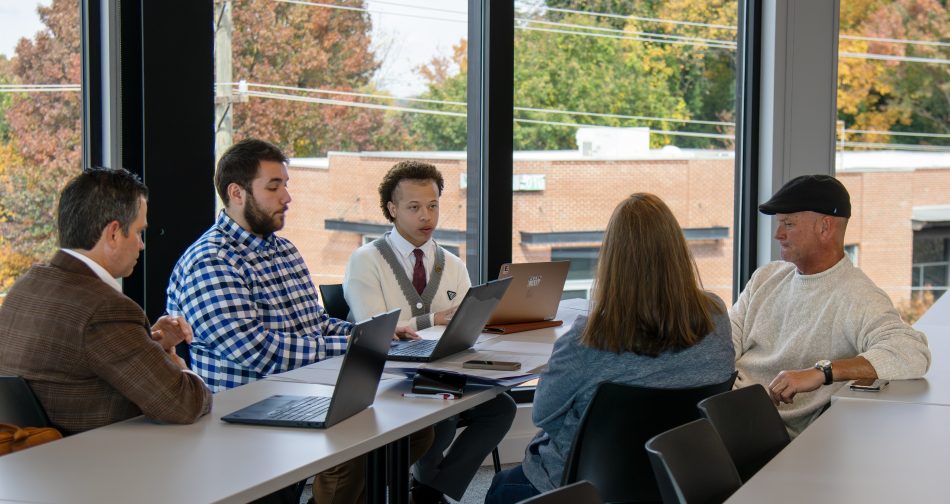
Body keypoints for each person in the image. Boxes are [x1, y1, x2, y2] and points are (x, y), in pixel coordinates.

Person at [484, 193, 735, 503]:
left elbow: (543, 414)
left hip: (586, 485)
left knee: (501, 488)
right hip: (680, 476)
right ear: (678, 251)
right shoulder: (715, 314)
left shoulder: (590, 337)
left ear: (612, 261)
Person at [344, 160, 517, 504]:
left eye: (433, 205)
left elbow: (467, 324)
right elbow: (378, 328)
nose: (427, 216)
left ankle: (430, 490)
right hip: (386, 377)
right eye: (414, 207)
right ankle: (426, 485)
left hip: (444, 372)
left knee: (502, 409)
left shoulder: (451, 264)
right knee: (444, 411)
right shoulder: (365, 260)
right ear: (392, 210)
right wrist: (434, 319)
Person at [0, 168, 211, 435]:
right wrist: (180, 370)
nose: (142, 245)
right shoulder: (105, 309)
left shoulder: (25, 288)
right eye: (138, 232)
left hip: (31, 466)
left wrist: (147, 345)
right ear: (113, 233)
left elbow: (81, 363)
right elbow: (183, 404)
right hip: (101, 464)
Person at [731, 174, 931, 436]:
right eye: (779, 223)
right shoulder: (766, 278)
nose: (778, 234)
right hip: (727, 407)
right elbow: (727, 344)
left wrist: (822, 372)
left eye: (788, 224)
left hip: (767, 431)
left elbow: (912, 353)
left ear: (825, 227)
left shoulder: (857, 296)